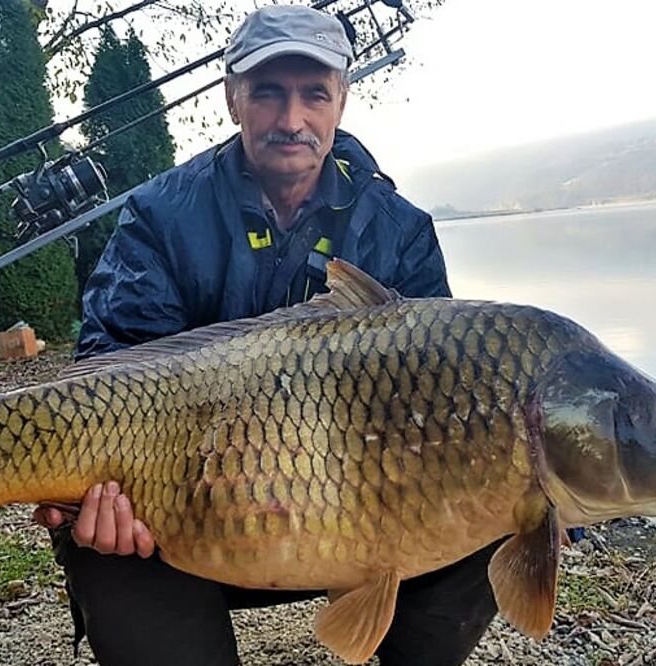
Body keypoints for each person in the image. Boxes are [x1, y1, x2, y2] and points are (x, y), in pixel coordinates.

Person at [34, 5, 502, 665]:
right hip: (181, 520)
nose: (292, 120)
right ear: (232, 98)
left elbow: (447, 399)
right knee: (100, 534)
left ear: (341, 99)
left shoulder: (400, 232)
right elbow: (108, 375)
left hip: (353, 519)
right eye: (268, 94)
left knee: (501, 516)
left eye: (314, 95)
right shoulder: (162, 216)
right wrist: (94, 496)